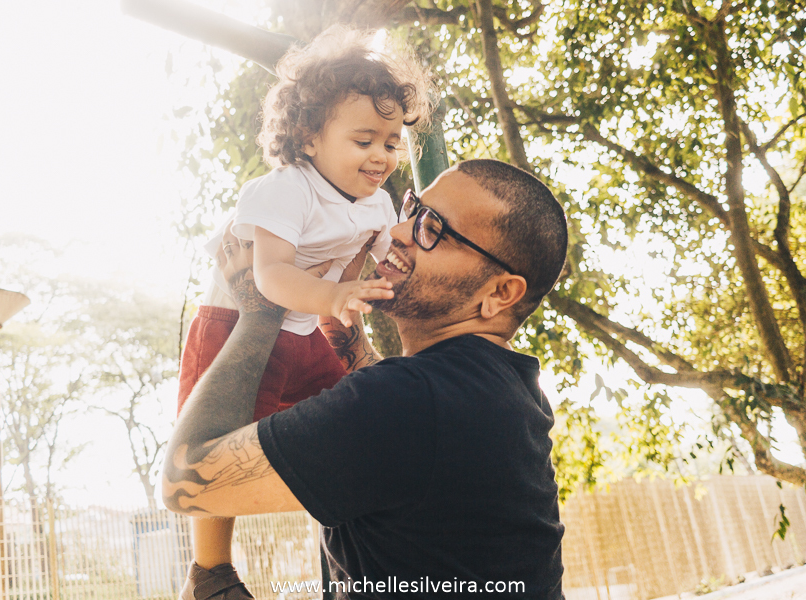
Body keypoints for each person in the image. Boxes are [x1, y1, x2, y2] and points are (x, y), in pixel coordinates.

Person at [165, 159, 569, 599]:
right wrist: (336, 305)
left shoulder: (412, 402)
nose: (397, 232)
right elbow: (384, 398)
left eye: (432, 229)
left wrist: (261, 312)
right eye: (413, 209)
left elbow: (184, 481)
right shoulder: (499, 390)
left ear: (498, 293)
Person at [173, 27, 432, 600]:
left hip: (308, 329)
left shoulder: (377, 201)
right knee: (224, 439)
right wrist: (334, 299)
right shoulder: (282, 190)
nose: (381, 156)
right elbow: (269, 276)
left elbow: (373, 251)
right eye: (364, 139)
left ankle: (356, 529)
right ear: (309, 137)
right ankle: (210, 570)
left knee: (344, 421)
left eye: (391, 142)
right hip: (237, 325)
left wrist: (393, 256)